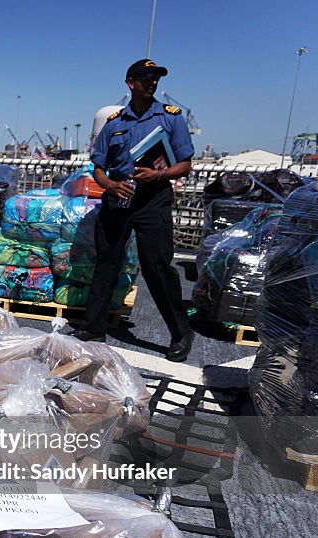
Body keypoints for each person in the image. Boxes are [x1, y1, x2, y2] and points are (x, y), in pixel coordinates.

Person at [71, 58, 195, 362]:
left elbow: (185, 165)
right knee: (107, 263)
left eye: (155, 78)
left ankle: (181, 332)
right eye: (145, 78)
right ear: (130, 83)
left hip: (154, 198)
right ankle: (93, 327)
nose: (152, 83)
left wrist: (160, 175)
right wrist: (110, 187)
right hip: (119, 197)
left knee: (158, 267)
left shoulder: (171, 118)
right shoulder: (114, 123)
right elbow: (98, 168)